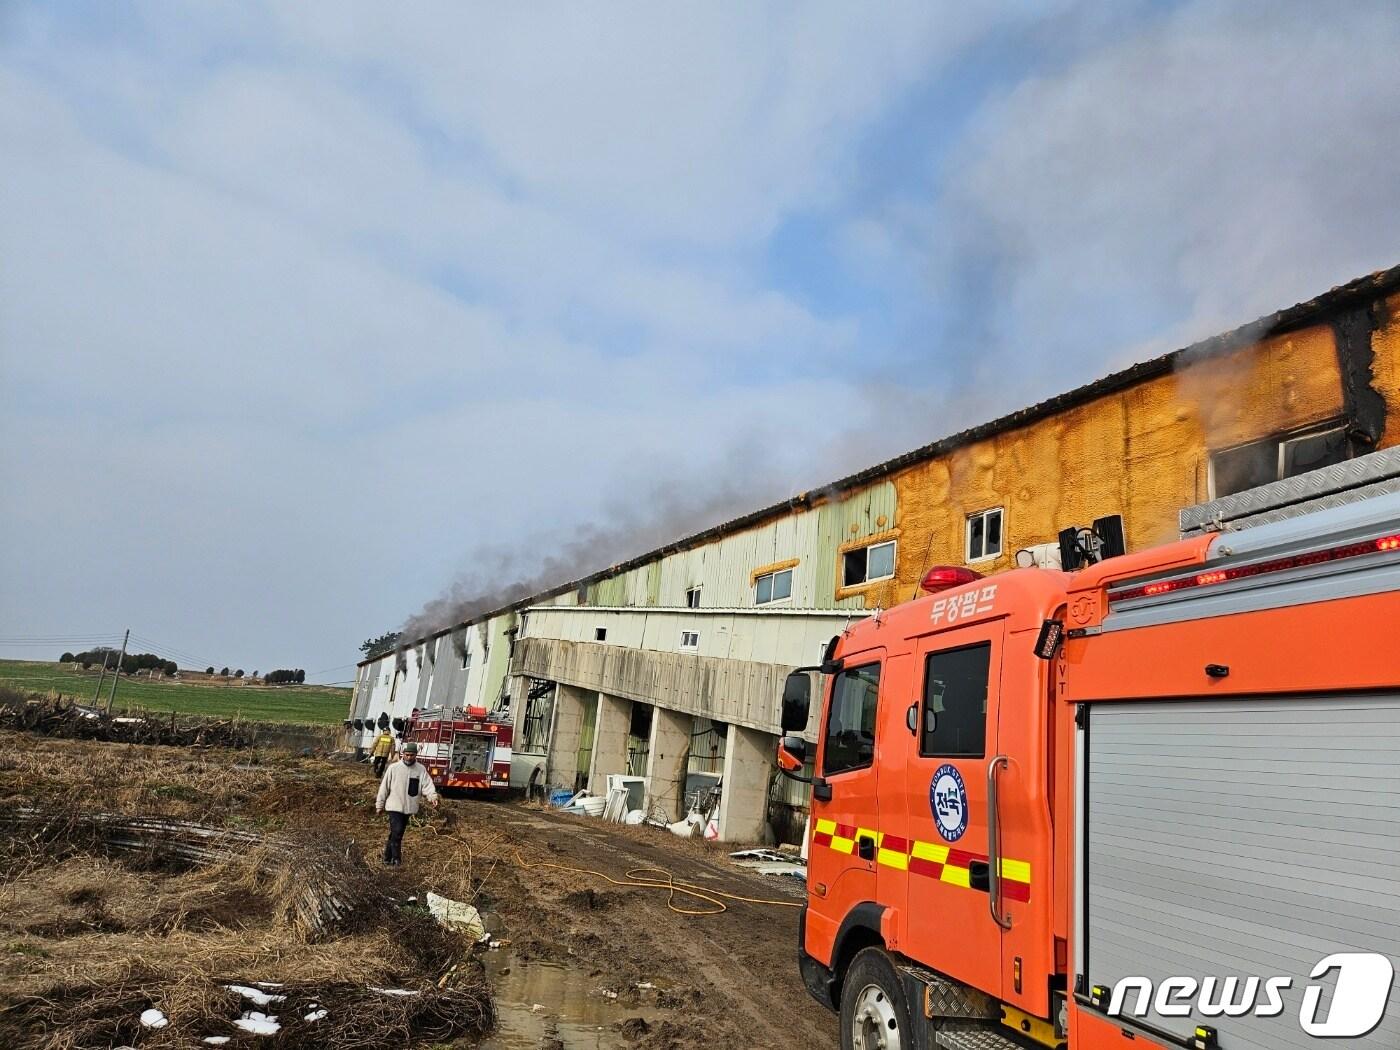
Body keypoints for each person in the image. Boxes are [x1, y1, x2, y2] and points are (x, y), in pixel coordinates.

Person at [375, 741, 438, 866]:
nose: (409, 757)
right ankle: (397, 860)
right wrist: (379, 805)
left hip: (409, 808)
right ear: (403, 754)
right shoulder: (394, 768)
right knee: (397, 832)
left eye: (412, 755)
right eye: (407, 755)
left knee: (396, 833)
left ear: (416, 755)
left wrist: (433, 797)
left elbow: (427, 786)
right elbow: (384, 788)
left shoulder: (420, 770)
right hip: (394, 806)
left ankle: (387, 858)